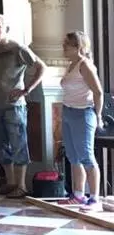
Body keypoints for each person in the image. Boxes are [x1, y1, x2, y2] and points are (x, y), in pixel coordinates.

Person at [0, 14, 46, 199]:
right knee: (0, 144)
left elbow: (41, 67)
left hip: (14, 105)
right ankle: (10, 182)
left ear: (7, 29)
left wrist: (26, 90)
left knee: (18, 143)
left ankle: (21, 185)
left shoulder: (18, 48)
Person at [58, 31, 105, 212]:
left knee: (86, 156)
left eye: (67, 44)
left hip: (83, 113)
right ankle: (78, 195)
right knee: (73, 156)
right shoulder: (71, 65)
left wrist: (98, 116)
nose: (63, 47)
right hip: (68, 111)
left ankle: (94, 199)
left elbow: (98, 92)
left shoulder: (84, 65)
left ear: (78, 47)